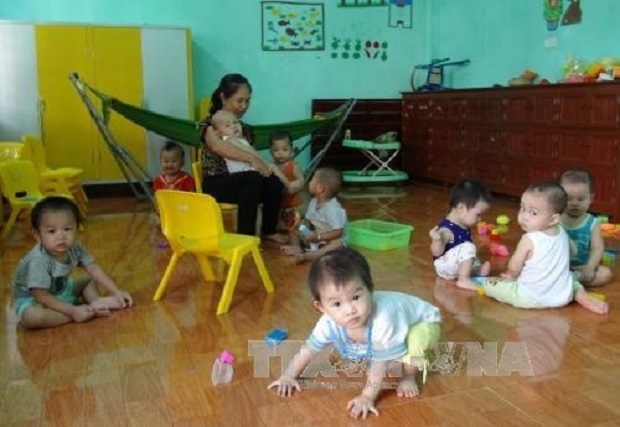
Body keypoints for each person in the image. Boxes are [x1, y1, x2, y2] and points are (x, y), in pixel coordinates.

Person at [268, 247, 441, 420]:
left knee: (414, 344)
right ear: (321, 307)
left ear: (370, 290)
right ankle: (394, 354)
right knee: (381, 357)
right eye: (337, 304)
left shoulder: (383, 318)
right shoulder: (327, 324)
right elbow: (307, 351)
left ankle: (409, 377)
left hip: (424, 322)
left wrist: (367, 396)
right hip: (397, 325)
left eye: (356, 298)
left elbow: (378, 364)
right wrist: (288, 376)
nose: (350, 310)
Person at [479, 181, 608, 314]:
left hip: (529, 299)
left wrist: (510, 276)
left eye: (533, 213)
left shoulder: (529, 239)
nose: (524, 216)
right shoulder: (562, 231)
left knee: (490, 285)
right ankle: (581, 295)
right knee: (571, 280)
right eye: (522, 208)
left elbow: (514, 267)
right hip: (563, 296)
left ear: (553, 219)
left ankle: (490, 285)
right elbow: (573, 251)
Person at [12, 196, 133, 329]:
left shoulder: (75, 247)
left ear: (78, 229)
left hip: (60, 292)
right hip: (35, 301)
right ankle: (83, 312)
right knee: (32, 318)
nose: (61, 236)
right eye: (52, 231)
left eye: (67, 229)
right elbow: (40, 295)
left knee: (88, 279)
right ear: (37, 235)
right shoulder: (38, 260)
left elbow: (93, 269)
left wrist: (116, 291)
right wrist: (72, 311)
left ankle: (96, 303)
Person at [200, 73, 286, 243]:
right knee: (252, 178)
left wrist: (266, 168)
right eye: (240, 101)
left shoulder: (246, 129)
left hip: (244, 181)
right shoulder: (210, 124)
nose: (244, 106)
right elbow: (218, 146)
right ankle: (244, 237)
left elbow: (253, 156)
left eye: (247, 101)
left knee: (273, 181)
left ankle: (269, 230)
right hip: (217, 183)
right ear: (224, 98)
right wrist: (252, 160)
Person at [429, 178, 492, 290]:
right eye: (478, 214)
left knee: (472, 255)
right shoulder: (446, 230)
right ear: (461, 208)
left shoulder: (462, 224)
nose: (480, 219)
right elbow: (437, 252)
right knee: (469, 247)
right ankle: (463, 280)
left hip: (451, 265)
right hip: (444, 266)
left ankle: (474, 271)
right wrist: (437, 240)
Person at [559, 169, 612, 287]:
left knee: (605, 274)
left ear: (591, 198)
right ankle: (570, 284)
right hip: (559, 267)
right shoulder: (555, 220)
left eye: (580, 199)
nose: (574, 203)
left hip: (583, 268)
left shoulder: (592, 222)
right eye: (569, 198)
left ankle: (569, 284)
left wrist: (590, 267)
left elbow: (597, 248)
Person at [282, 167, 347, 263]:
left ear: (320, 188)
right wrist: (303, 226)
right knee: (294, 230)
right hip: (314, 236)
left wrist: (318, 237)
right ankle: (297, 247)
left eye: (312, 180)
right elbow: (309, 221)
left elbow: (338, 232)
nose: (309, 182)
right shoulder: (313, 201)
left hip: (328, 239)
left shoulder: (332, 208)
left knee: (337, 244)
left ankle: (308, 256)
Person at [267, 130, 305, 231]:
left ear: (291, 150)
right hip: (279, 205)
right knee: (279, 226)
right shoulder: (272, 166)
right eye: (276, 150)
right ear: (270, 151)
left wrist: (293, 185)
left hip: (293, 204)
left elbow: (301, 181)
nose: (280, 153)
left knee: (294, 225)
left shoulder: (293, 166)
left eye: (284, 150)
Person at [210, 109, 256, 174]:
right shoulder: (228, 140)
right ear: (219, 133)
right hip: (240, 174)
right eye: (227, 125)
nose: (234, 126)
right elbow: (249, 153)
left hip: (249, 170)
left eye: (235, 122)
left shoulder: (242, 139)